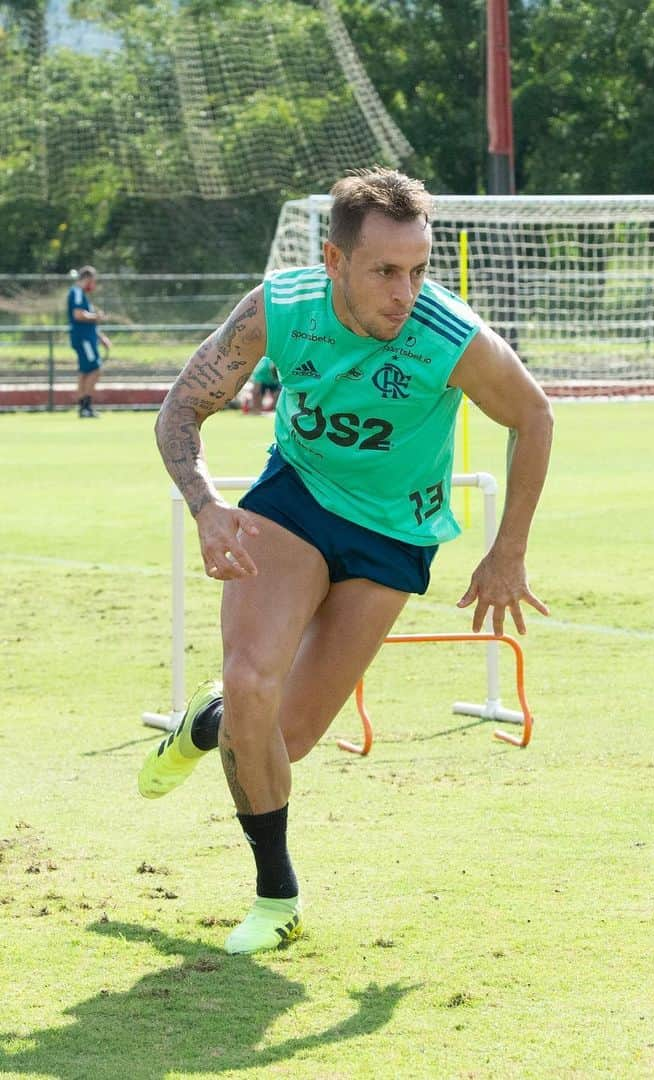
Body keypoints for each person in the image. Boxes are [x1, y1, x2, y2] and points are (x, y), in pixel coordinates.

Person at [138, 167, 554, 954]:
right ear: (334, 262)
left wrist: (509, 550)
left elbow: (534, 416)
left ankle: (208, 722)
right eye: (386, 272)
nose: (406, 292)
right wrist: (205, 503)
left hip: (395, 534)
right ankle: (276, 896)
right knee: (254, 678)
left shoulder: (447, 335)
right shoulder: (279, 310)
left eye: (419, 269)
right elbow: (180, 409)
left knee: (282, 738)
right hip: (296, 499)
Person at [67, 265, 111, 418]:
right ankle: (86, 406)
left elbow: (86, 319)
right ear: (86, 279)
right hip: (84, 339)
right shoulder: (77, 293)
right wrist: (96, 316)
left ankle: (83, 406)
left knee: (85, 371)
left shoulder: (80, 294)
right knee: (95, 369)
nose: (93, 285)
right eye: (92, 281)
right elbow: (78, 315)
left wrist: (100, 337)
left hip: (87, 338)